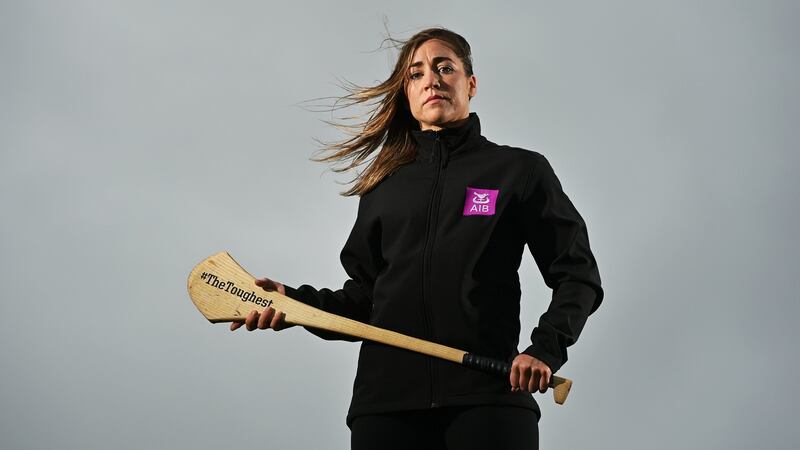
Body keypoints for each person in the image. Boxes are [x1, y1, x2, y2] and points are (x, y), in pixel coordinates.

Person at [230, 27, 603, 450]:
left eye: (446, 67)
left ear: (471, 84)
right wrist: (291, 303)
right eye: (416, 73)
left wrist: (545, 349)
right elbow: (364, 302)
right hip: (386, 408)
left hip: (488, 396)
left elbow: (578, 274)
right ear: (407, 93)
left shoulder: (518, 171)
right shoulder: (383, 184)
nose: (432, 79)